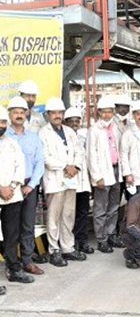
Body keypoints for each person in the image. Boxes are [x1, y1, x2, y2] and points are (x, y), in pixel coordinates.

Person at [39, 97, 86, 267]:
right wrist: (65, 166)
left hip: (70, 179)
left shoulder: (69, 132)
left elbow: (80, 152)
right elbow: (46, 158)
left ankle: (68, 247)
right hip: (55, 180)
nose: (57, 115)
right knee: (53, 217)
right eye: (54, 113)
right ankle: (54, 250)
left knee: (68, 215)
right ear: (49, 114)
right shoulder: (43, 133)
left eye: (60, 112)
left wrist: (75, 167)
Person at [7, 96, 45, 274]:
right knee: (10, 227)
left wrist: (31, 186)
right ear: (10, 114)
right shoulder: (4, 136)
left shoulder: (33, 137)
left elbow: (40, 163)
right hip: (9, 188)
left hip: (30, 186)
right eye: (16, 112)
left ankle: (27, 260)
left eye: (22, 112)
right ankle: (12, 263)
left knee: (28, 225)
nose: (19, 115)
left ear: (26, 114)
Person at [86, 95, 124, 253]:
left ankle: (111, 235)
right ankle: (101, 239)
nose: (107, 114)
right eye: (104, 112)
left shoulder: (117, 128)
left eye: (110, 112)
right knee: (101, 208)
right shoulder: (93, 130)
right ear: (99, 112)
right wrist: (97, 177)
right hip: (102, 173)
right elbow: (90, 155)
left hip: (116, 170)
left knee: (114, 206)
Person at [0, 105, 33, 285]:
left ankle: (14, 270)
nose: (1, 125)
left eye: (3, 122)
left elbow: (20, 167)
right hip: (2, 192)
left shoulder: (12, 143)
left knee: (12, 235)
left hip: (11, 195)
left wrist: (11, 186)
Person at [64, 106, 94, 254]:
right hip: (69, 181)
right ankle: (71, 242)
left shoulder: (83, 138)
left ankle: (82, 241)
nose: (75, 124)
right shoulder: (62, 138)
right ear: (66, 122)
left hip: (84, 182)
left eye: (77, 121)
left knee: (83, 212)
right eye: (71, 121)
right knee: (69, 214)